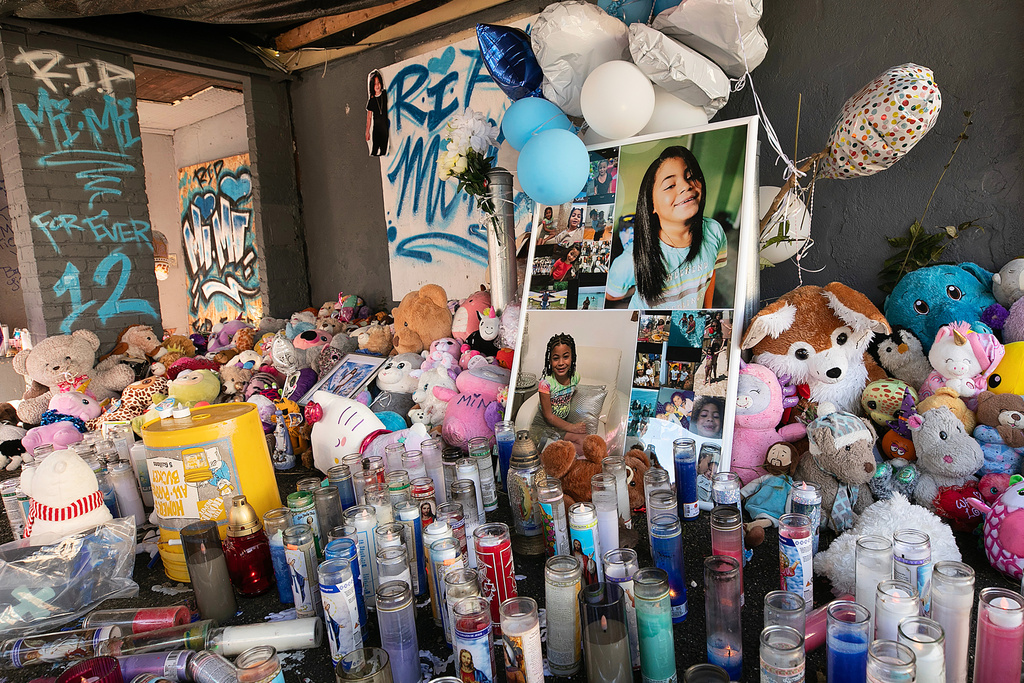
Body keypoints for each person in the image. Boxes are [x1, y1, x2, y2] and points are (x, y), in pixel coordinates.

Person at [605, 146, 727, 309]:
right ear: (651, 204)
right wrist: (640, 289)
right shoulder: (631, 260)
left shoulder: (714, 231)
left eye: (690, 176)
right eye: (670, 185)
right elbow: (611, 294)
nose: (686, 186)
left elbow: (710, 275)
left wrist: (707, 312)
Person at [533, 333, 588, 453]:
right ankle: (546, 452)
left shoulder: (575, 377)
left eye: (566, 357)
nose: (561, 363)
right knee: (577, 447)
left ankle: (554, 450)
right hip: (544, 426)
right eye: (556, 358)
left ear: (572, 357)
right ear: (550, 360)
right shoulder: (545, 383)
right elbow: (548, 416)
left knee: (586, 443)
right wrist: (573, 427)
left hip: (561, 425)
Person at [365, 70, 389, 156]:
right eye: (375, 84)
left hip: (385, 127)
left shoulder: (384, 95)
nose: (377, 86)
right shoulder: (372, 100)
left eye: (378, 83)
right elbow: (369, 117)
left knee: (384, 148)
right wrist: (367, 131)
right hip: (376, 128)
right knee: (375, 148)